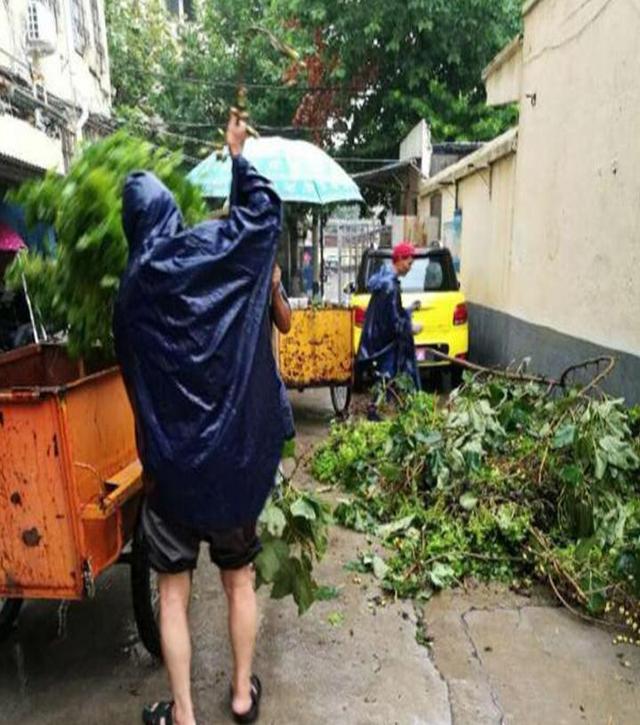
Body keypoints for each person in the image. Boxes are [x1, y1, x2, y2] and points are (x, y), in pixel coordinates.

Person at [113, 111, 294, 725]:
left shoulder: (131, 294)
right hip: (236, 468)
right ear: (170, 213)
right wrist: (238, 157)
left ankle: (184, 715)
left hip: (172, 478)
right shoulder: (214, 252)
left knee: (171, 594)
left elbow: (136, 382)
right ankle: (242, 698)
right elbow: (263, 217)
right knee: (239, 581)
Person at [356, 242, 422, 404]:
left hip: (378, 340)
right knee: (387, 376)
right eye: (409, 263)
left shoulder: (384, 280)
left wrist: (408, 310)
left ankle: (378, 409)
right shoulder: (390, 286)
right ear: (399, 259)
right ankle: (376, 411)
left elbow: (390, 312)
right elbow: (393, 322)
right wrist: (410, 328)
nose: (410, 267)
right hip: (385, 343)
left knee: (385, 379)